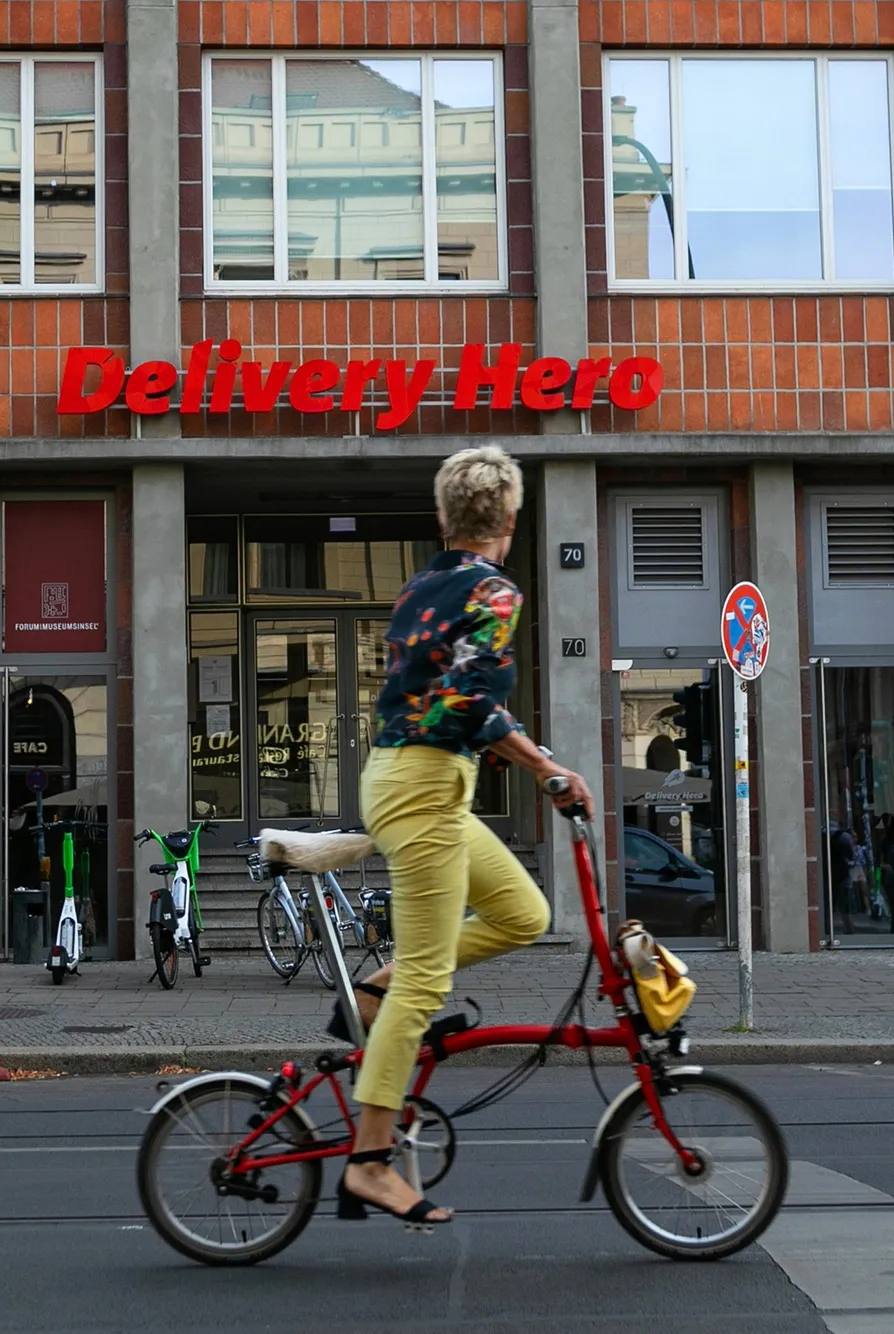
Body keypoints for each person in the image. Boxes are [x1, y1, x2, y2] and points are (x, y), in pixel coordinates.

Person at [333, 445, 594, 1229]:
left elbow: (456, 699)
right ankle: (371, 1163)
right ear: (510, 520)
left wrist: (526, 754)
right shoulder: (495, 593)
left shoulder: (420, 587)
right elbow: (467, 705)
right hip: (421, 787)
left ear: (444, 517)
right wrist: (547, 768)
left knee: (524, 914)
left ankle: (377, 986)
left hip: (416, 782)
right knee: (424, 984)